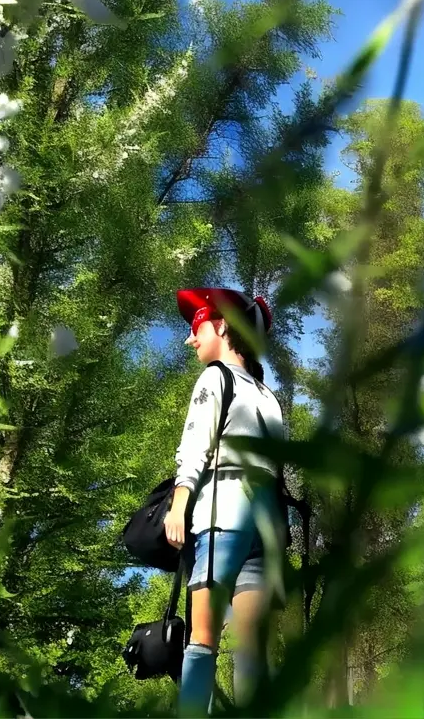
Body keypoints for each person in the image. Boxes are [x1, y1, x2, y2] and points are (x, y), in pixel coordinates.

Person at [164, 287, 286, 717]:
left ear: (221, 326)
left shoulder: (216, 378)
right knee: (253, 647)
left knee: (202, 638)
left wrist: (179, 505)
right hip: (265, 525)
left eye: (196, 325)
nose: (190, 338)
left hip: (224, 515)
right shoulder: (270, 397)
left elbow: (195, 447)